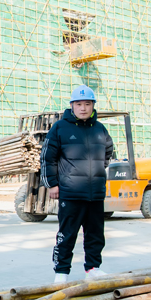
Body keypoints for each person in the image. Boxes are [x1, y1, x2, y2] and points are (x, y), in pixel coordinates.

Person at [41, 84, 113, 284]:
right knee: (67, 234)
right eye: (79, 104)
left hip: (95, 193)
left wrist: (97, 170)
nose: (83, 108)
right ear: (72, 105)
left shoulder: (100, 129)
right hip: (71, 192)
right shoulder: (60, 128)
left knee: (95, 234)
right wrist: (52, 184)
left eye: (87, 104)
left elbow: (108, 152)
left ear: (93, 106)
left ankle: (93, 268)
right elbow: (47, 158)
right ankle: (61, 272)